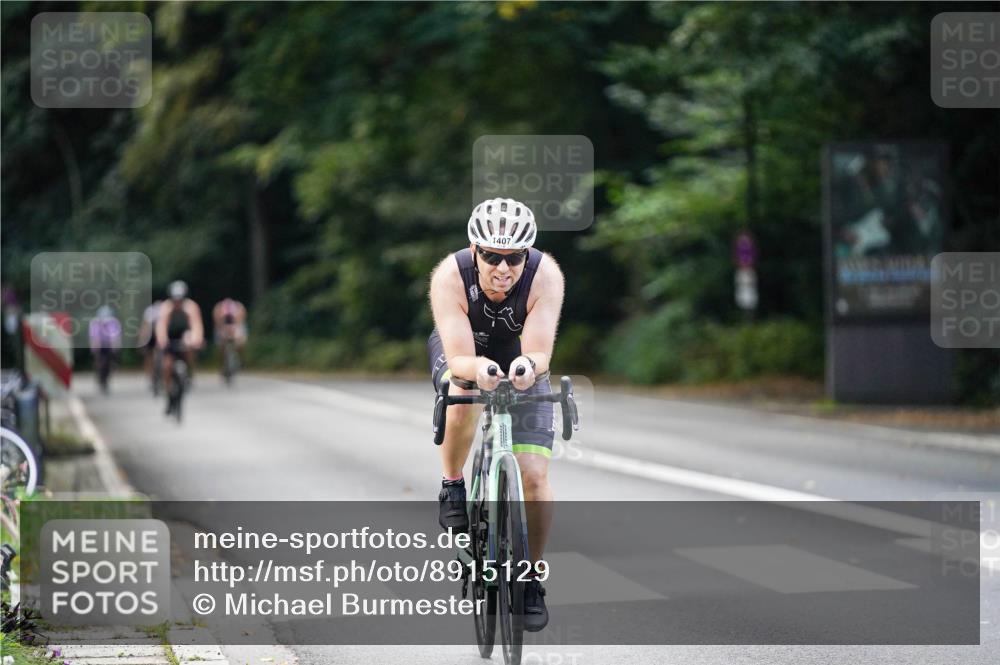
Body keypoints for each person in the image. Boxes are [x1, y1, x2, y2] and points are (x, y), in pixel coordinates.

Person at [427, 197, 564, 632]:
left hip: (523, 358)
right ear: (474, 249)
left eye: (514, 257)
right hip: (466, 350)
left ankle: (530, 581)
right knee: (462, 386)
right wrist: (478, 370)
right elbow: (460, 356)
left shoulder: (546, 275)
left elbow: (540, 350)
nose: (503, 268)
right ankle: (452, 484)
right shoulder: (450, 276)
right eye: (491, 256)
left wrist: (527, 368)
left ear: (528, 254)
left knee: (536, 478)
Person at [155, 281, 204, 414]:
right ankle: (168, 391)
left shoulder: (191, 307)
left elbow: (196, 325)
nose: (177, 302)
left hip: (184, 335)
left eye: (180, 299)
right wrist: (162, 341)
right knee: (167, 366)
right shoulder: (166, 307)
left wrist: (196, 340)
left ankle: (189, 373)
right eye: (175, 299)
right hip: (170, 337)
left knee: (189, 346)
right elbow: (161, 327)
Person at [89, 305, 122, 394]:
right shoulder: (95, 322)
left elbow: (114, 336)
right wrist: (95, 349)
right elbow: (94, 337)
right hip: (99, 344)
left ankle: (108, 377)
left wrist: (115, 348)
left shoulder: (113, 322)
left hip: (108, 344)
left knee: (109, 362)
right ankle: (99, 376)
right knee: (99, 362)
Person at [138, 299, 163, 391]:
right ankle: (150, 377)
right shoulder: (149, 311)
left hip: (160, 334)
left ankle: (160, 374)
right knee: (149, 356)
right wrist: (142, 341)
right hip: (151, 335)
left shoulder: (165, 309)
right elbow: (145, 327)